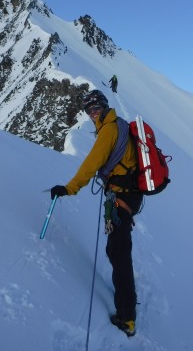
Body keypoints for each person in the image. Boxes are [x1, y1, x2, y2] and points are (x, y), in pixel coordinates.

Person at [50, 89, 142, 337]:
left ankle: (127, 317)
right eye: (89, 110)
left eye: (96, 109)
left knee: (118, 252)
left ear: (103, 106)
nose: (92, 114)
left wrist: (70, 188)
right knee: (118, 250)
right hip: (128, 194)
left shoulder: (109, 130)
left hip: (121, 196)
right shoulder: (118, 124)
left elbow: (91, 163)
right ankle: (127, 298)